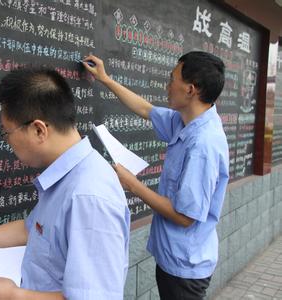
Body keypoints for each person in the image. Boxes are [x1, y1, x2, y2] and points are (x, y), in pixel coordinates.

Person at [0, 67, 130, 300]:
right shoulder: (68, 178)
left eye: (6, 133)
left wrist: (14, 296)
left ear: (39, 130)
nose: (7, 142)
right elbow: (30, 229)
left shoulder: (88, 196)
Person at [82, 51, 229, 299]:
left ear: (191, 90)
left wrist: (132, 184)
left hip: (185, 266)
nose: (167, 86)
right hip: (174, 255)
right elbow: (146, 109)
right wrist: (105, 79)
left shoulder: (203, 144)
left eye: (172, 80)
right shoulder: (186, 121)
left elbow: (185, 217)